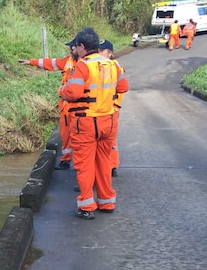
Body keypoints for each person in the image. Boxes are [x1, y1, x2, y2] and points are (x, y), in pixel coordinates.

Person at [60, 28, 129, 219]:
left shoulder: (81, 67)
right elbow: (123, 87)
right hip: (108, 121)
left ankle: (86, 206)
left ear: (82, 47)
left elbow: (72, 92)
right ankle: (106, 202)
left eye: (77, 47)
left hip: (85, 123)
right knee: (103, 162)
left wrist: (62, 90)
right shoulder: (112, 65)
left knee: (84, 164)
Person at [18, 46, 77, 170]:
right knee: (65, 135)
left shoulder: (86, 64)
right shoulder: (68, 61)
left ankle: (86, 166)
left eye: (73, 47)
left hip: (79, 108)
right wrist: (31, 62)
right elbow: (51, 63)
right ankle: (66, 160)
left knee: (81, 138)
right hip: (66, 107)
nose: (70, 50)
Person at [99, 39, 122, 178]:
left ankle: (112, 166)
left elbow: (121, 89)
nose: (99, 53)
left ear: (110, 53)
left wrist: (114, 107)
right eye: (97, 50)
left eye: (102, 50)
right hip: (105, 109)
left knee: (109, 140)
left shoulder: (113, 67)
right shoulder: (103, 65)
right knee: (108, 140)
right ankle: (111, 166)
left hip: (110, 109)